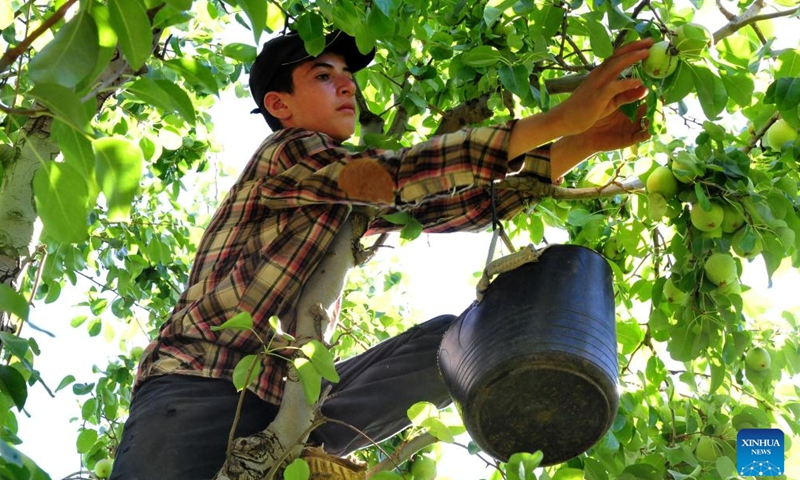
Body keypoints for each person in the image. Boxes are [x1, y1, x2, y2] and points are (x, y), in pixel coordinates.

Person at [110, 29, 652, 479]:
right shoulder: (288, 152)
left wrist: (581, 143)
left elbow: (447, 206)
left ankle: (299, 450)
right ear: (281, 105)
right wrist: (560, 120)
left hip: (282, 403)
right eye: (323, 75)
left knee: (450, 344)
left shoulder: (343, 197)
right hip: (198, 386)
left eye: (348, 77)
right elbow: (393, 176)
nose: (347, 85)